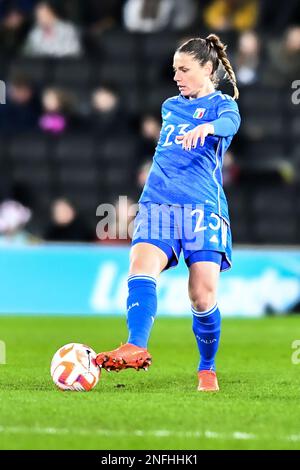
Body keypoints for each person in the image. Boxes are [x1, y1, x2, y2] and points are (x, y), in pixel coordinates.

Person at [96, 34, 241, 392]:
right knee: (141, 266)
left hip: (202, 208)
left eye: (184, 69)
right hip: (158, 202)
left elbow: (229, 125)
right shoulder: (170, 106)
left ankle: (207, 368)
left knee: (202, 295)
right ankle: (136, 346)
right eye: (174, 69)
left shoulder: (224, 107)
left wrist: (207, 127)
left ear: (207, 69)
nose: (176, 76)